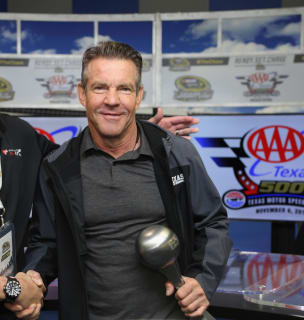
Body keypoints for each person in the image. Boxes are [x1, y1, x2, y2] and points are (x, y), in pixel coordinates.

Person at [0, 14, 200, 320]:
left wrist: (142, 135)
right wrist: (13, 288)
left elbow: (78, 160)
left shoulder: (18, 134)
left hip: (7, 312)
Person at [24, 41, 233, 320]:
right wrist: (33, 277)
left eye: (124, 88)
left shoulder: (175, 152)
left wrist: (202, 280)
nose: (112, 100)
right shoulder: (58, 167)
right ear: (82, 94)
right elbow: (45, 242)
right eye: (100, 87)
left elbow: (212, 222)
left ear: (138, 96)